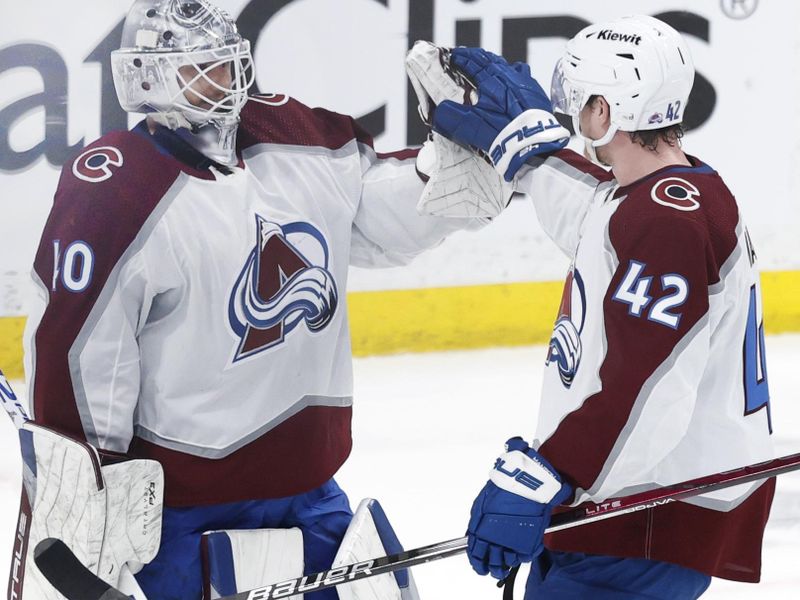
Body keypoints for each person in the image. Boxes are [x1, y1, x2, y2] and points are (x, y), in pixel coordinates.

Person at [13, 2, 554, 599]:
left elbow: (375, 217)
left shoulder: (296, 137)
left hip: (312, 495)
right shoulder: (117, 191)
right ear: (146, 78)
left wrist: (443, 173)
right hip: (179, 518)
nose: (224, 82)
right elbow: (80, 355)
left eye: (227, 64)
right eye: (201, 69)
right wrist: (84, 506)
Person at [413, 15, 775, 599]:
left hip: (644, 520)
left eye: (580, 101)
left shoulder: (667, 224)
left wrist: (553, 473)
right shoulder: (671, 192)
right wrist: (527, 154)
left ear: (605, 112)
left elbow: (649, 390)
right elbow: (599, 218)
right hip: (620, 509)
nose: (572, 116)